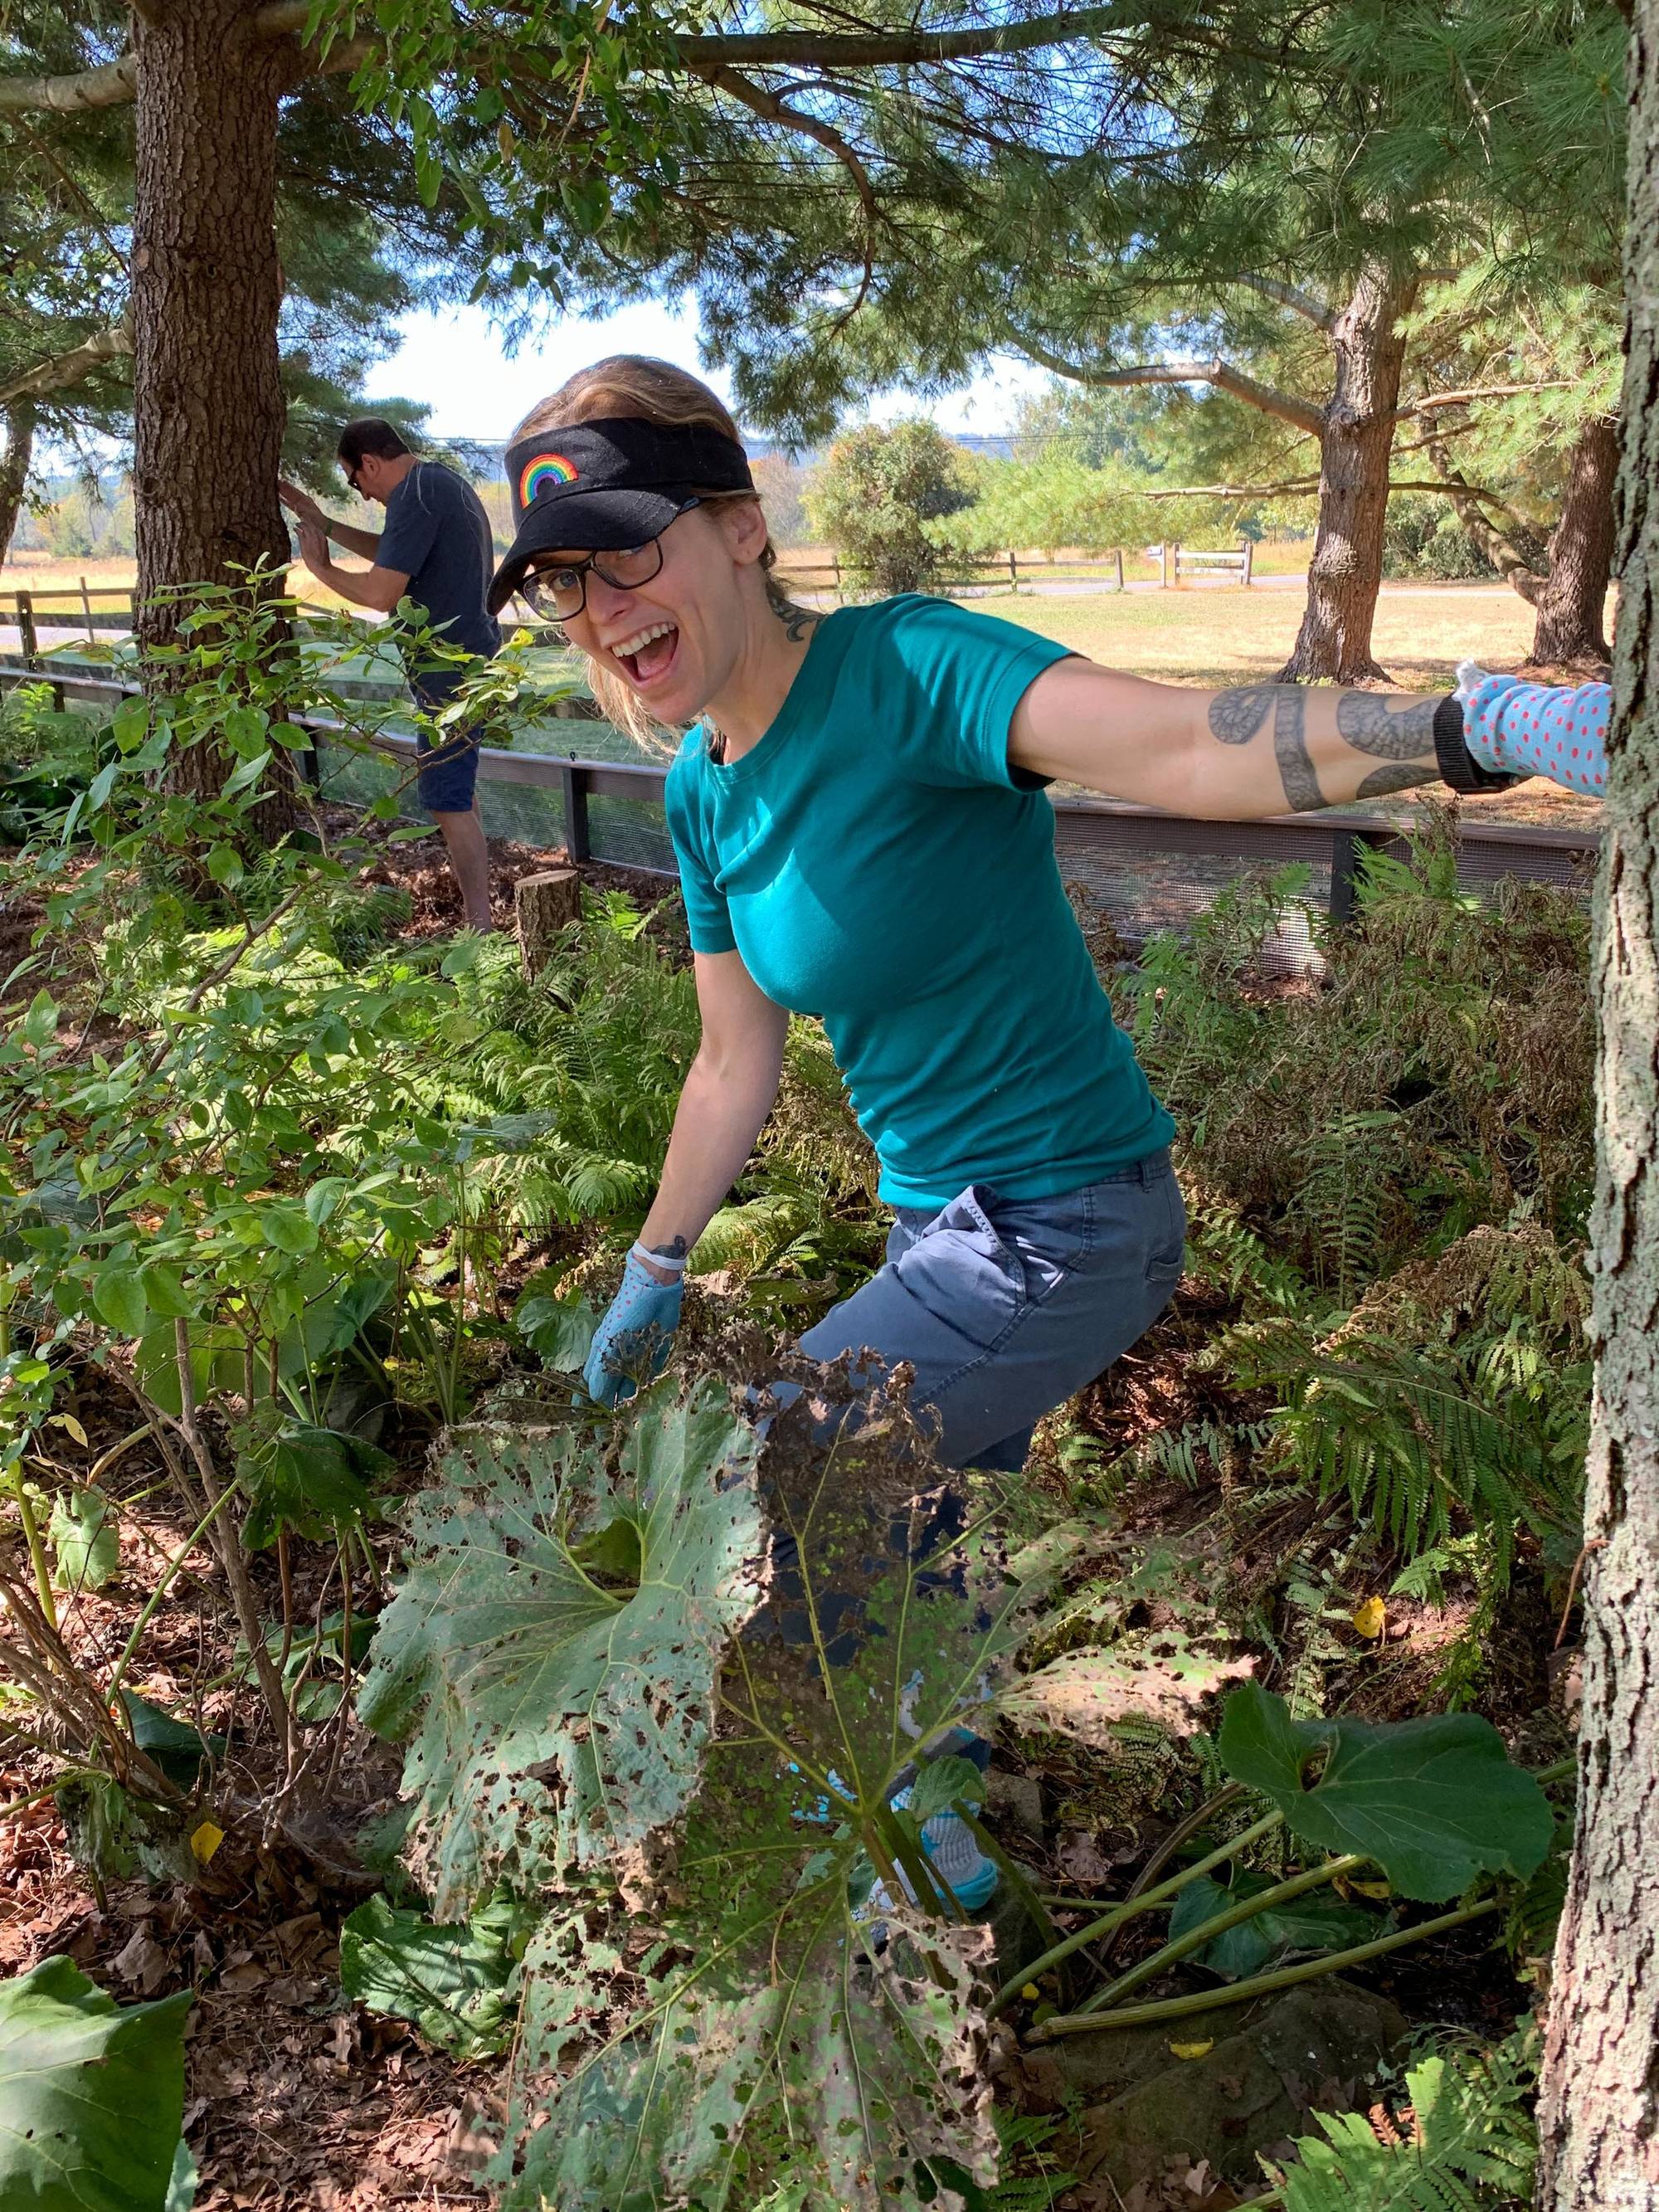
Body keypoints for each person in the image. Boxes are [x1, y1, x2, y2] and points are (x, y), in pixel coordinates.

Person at [484, 353, 1610, 1912]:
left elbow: (1184, 743)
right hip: (935, 1230)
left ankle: (862, 1843)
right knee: (905, 1526)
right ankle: (934, 1837)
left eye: (627, 550)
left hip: (1068, 1220)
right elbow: (731, 1059)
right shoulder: (701, 791)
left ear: (740, 526)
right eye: (563, 582)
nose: (604, 608)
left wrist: (1469, 729)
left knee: (780, 1465)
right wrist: (655, 1266)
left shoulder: (909, 670)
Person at [280, 421, 501, 930]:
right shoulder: (434, 484)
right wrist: (325, 524)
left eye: (355, 481)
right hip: (464, 662)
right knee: (456, 793)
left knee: (445, 799)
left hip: (449, 669)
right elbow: (393, 550)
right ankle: (481, 923)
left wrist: (322, 569)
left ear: (370, 463)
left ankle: (480, 928)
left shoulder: (414, 496)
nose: (362, 493)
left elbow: (381, 593)